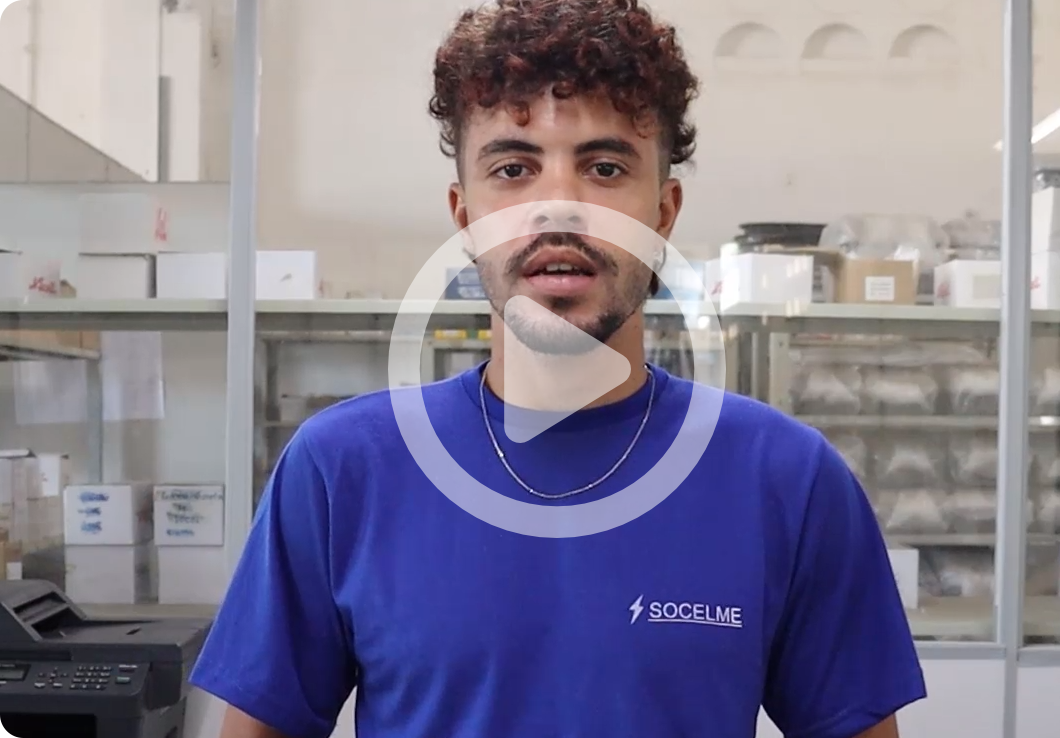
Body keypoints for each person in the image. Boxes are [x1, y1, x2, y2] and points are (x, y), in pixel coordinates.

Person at [189, 0, 927, 736]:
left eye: (605, 168)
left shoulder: (788, 480)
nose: (560, 208)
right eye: (513, 168)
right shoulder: (343, 470)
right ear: (465, 216)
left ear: (663, 212)